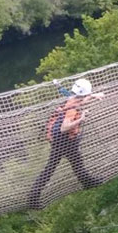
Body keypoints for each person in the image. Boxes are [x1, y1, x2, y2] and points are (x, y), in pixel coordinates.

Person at [27, 78, 105, 209]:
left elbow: (72, 95)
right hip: (64, 140)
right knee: (53, 168)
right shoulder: (72, 109)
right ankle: (33, 198)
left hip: (60, 139)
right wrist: (81, 118)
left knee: (74, 163)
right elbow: (65, 127)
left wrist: (94, 95)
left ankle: (87, 182)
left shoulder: (72, 98)